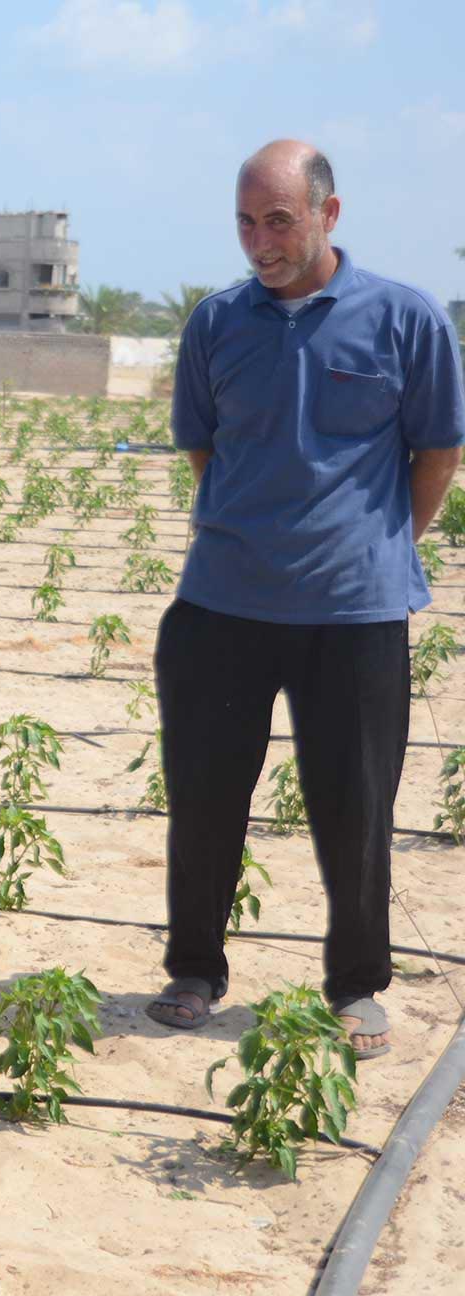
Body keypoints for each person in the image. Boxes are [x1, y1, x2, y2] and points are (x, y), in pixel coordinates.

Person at [145, 140, 465, 1059]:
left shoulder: (405, 319)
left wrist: (380, 543)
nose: (261, 241)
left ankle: (358, 984)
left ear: (330, 213)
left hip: (355, 612)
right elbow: (206, 450)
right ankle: (195, 970)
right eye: (246, 221)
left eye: (279, 219)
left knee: (356, 805)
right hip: (222, 605)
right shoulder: (216, 323)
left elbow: (436, 451)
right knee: (204, 796)